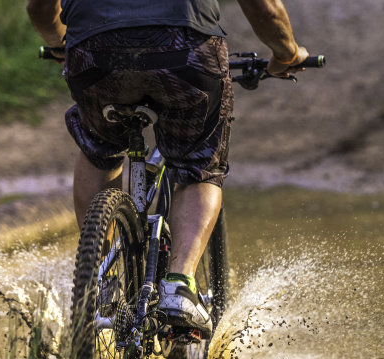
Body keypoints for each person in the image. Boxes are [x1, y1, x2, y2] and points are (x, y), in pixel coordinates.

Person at [27, 0, 308, 332]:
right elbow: (263, 7)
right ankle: (178, 285)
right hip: (186, 54)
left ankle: (102, 277)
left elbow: (40, 8)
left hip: (95, 56)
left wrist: (62, 43)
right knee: (199, 165)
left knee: (98, 147)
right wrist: (287, 54)